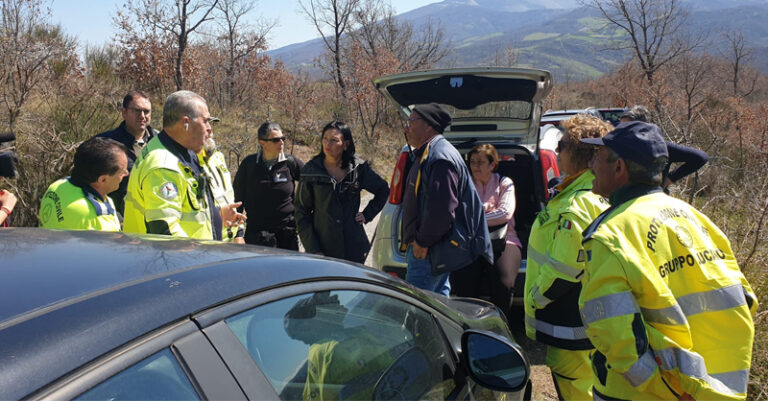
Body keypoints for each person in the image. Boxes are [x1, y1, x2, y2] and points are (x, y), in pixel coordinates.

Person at [579, 121, 757, 400]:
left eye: (597, 158)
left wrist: (672, 390)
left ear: (619, 167)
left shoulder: (610, 234)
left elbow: (616, 334)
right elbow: (744, 299)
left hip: (645, 394)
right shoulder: (697, 219)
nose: (591, 165)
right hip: (719, 389)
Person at [524, 114, 613, 400]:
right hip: (581, 317)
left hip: (570, 319)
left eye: (561, 145)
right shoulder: (579, 192)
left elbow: (565, 268)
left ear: (577, 154)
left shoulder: (578, 202)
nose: (557, 151)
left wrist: (535, 299)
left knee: (577, 387)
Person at [123, 90, 245, 239]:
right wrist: (201, 257)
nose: (209, 128)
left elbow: (190, 211)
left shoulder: (186, 152)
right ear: (186, 123)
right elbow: (166, 232)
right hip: (178, 260)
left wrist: (217, 215)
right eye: (205, 121)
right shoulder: (163, 166)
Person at [400, 103, 492, 296]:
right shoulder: (430, 152)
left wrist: (422, 242)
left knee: (419, 311)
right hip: (431, 251)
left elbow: (441, 212)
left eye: (411, 122)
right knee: (437, 306)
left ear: (429, 125)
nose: (406, 128)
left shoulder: (440, 157)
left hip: (427, 252)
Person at [295, 121, 388, 263]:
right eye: (325, 138)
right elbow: (301, 213)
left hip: (354, 247)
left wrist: (367, 214)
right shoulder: (311, 171)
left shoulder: (358, 168)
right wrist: (314, 249)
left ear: (346, 144)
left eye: (334, 140)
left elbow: (383, 190)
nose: (327, 144)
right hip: (323, 249)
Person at [283, 292, 396, 401]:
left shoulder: (348, 335)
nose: (335, 297)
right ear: (308, 325)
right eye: (323, 303)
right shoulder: (335, 350)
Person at [450, 144, 521, 316]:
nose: (475, 166)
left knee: (504, 284)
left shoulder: (505, 183)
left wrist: (475, 214)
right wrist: (487, 209)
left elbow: (505, 213)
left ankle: (498, 326)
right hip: (470, 240)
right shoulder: (464, 184)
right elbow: (456, 212)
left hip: (504, 239)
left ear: (492, 164)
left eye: (480, 162)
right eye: (473, 162)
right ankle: (470, 324)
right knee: (463, 282)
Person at [234, 122, 303, 249]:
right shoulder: (249, 165)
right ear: (262, 143)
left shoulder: (290, 163)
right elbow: (237, 199)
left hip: (287, 236)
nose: (281, 143)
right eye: (276, 140)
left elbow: (313, 183)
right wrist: (237, 232)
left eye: (283, 139)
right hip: (257, 236)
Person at [39, 137, 128, 231]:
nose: (127, 173)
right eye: (122, 172)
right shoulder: (97, 219)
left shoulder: (58, 185)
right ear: (102, 180)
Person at [95, 91, 158, 216]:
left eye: (146, 111)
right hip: (117, 220)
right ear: (124, 112)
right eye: (137, 110)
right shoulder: (105, 143)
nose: (142, 116)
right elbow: (93, 184)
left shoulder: (161, 143)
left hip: (153, 220)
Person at [619, 105, 709, 190]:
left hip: (654, 199)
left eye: (627, 127)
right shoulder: (618, 147)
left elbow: (701, 157)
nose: (622, 131)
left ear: (642, 127)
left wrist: (670, 179)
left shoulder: (661, 147)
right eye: (621, 127)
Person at [199, 132, 245, 243]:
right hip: (206, 244)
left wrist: (239, 233)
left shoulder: (218, 156)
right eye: (204, 122)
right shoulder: (186, 162)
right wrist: (218, 215)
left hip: (230, 239)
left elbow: (228, 196)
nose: (210, 129)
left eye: (210, 123)